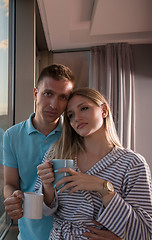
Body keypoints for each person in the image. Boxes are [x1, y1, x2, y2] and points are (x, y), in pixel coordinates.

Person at [36, 88, 152, 239]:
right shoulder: (56, 154)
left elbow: (145, 233)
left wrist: (103, 188)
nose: (76, 118)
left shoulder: (132, 163)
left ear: (104, 110)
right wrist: (47, 187)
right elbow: (40, 211)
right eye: (70, 115)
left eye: (84, 108)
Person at [3, 64, 74, 239]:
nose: (54, 104)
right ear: (36, 94)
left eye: (63, 97)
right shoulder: (12, 135)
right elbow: (10, 183)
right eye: (48, 93)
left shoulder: (76, 135)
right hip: (29, 234)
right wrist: (12, 197)